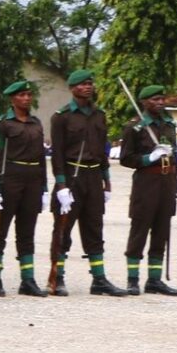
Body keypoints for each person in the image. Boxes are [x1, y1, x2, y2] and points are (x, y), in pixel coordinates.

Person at [48, 69, 128, 296]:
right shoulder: (61, 117)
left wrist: (107, 180)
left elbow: (102, 151)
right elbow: (57, 155)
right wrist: (61, 185)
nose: (88, 87)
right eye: (83, 84)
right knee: (63, 229)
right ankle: (58, 277)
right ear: (73, 88)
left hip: (93, 176)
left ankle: (99, 279)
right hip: (72, 176)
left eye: (90, 83)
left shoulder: (99, 115)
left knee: (95, 228)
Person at [0, 80, 47, 297]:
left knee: (27, 231)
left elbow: (41, 157)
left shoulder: (36, 123)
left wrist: (45, 187)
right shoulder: (2, 124)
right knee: (0, 231)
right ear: (12, 99)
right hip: (9, 179)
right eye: (21, 95)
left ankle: (27, 280)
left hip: (33, 181)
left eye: (29, 95)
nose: (27, 99)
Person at [119, 84, 177, 295]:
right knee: (140, 229)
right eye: (155, 99)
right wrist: (149, 158)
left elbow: (176, 158)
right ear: (144, 102)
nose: (160, 103)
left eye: (162, 99)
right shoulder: (135, 127)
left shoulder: (169, 124)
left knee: (162, 230)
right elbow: (126, 158)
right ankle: (133, 279)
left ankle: (154, 280)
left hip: (167, 182)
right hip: (146, 182)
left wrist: (176, 185)